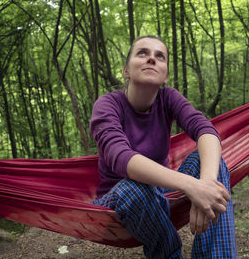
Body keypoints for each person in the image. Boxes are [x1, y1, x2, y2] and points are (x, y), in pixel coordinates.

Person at [90, 35, 237, 258]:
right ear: (126, 70)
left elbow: (206, 131)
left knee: (210, 163)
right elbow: (120, 156)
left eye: (160, 56)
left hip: (162, 195)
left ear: (166, 75)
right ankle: (168, 253)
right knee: (134, 188)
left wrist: (205, 184)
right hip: (118, 200)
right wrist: (192, 186)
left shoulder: (168, 98)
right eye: (142, 53)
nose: (152, 59)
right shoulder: (108, 104)